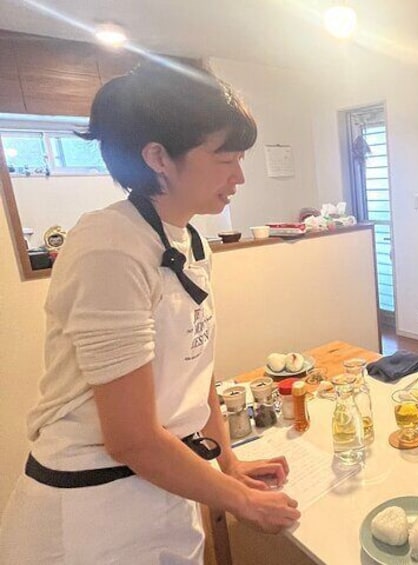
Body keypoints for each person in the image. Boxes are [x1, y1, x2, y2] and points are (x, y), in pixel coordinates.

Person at [0, 62, 300, 563]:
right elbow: (132, 438)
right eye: (226, 158)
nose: (240, 176)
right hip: (91, 510)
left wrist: (227, 462)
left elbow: (193, 363)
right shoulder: (108, 245)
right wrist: (242, 500)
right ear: (158, 156)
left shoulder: (192, 239)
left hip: (166, 483)